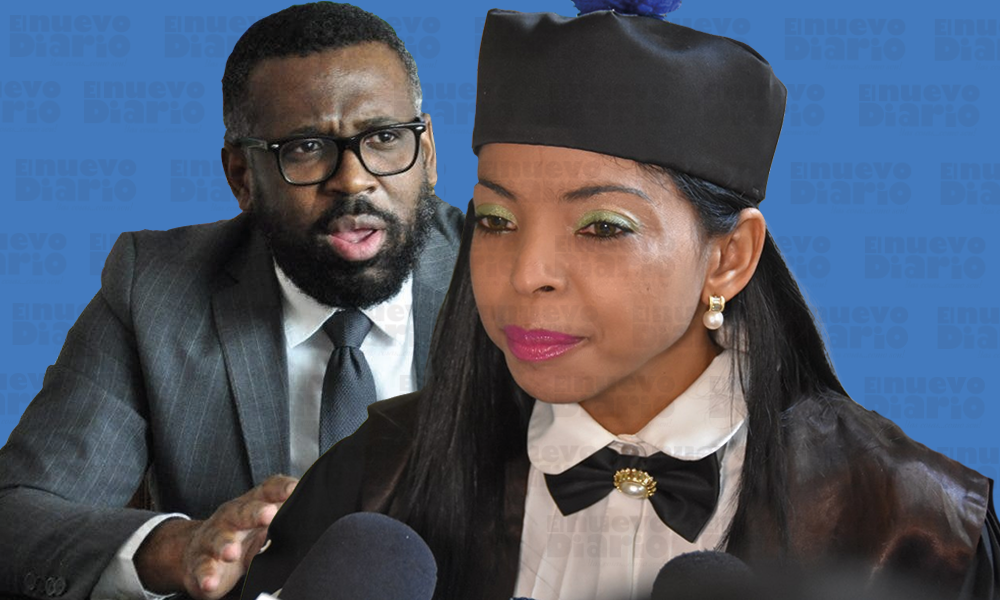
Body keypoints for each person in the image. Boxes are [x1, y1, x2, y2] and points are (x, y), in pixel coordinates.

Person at [241, 4, 999, 600]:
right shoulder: (377, 480)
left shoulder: (911, 528)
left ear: (729, 257)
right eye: (497, 221)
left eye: (602, 227)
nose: (527, 273)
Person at [0, 3, 463, 600]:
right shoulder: (156, 291)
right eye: (306, 148)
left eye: (384, 138)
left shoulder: (502, 278)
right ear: (242, 176)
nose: (353, 179)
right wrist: (182, 547)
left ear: (428, 152)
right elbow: (17, 517)